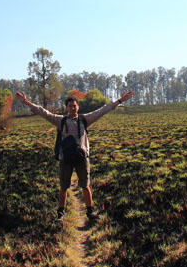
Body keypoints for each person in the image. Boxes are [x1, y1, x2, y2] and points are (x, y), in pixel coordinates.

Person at [15, 90, 133, 221]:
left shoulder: (84, 119)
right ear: (66, 108)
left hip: (82, 158)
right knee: (64, 187)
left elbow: (102, 110)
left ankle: (89, 212)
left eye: (75, 105)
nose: (73, 108)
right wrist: (26, 102)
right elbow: (43, 112)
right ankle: (61, 213)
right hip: (65, 159)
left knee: (85, 185)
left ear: (78, 107)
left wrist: (120, 100)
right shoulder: (60, 121)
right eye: (70, 106)